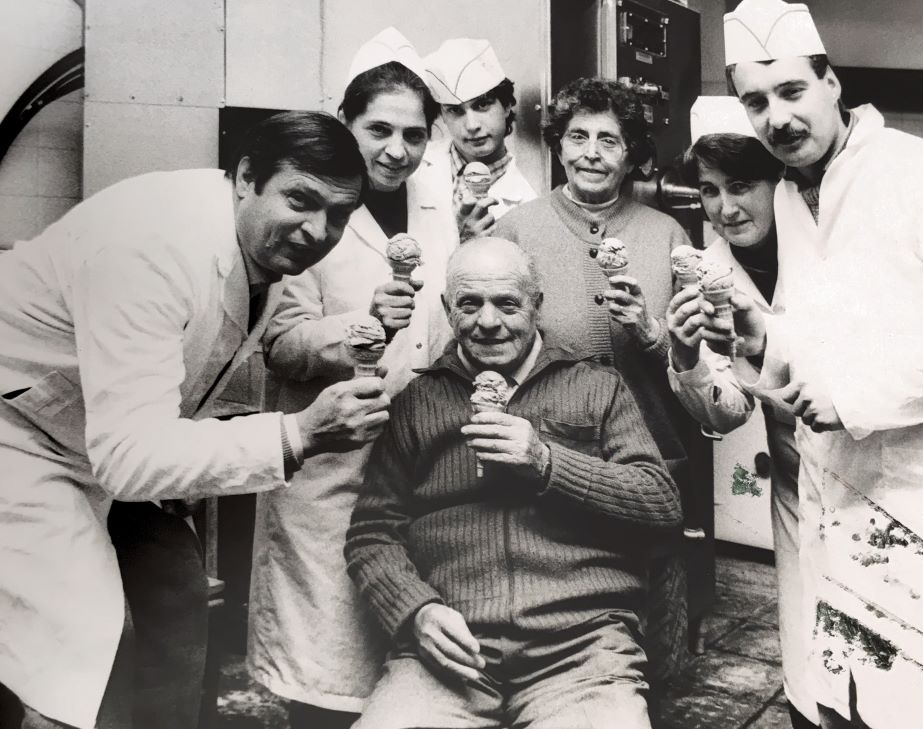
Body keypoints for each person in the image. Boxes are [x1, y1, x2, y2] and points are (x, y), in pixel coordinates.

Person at [0, 110, 390, 729]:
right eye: (300, 199)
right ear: (244, 178)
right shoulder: (148, 245)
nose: (319, 230)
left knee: (178, 594)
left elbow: (184, 369)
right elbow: (129, 457)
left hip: (91, 441)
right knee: (80, 641)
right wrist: (300, 433)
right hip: (18, 438)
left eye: (338, 213)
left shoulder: (260, 251)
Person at [716, 1, 923, 727]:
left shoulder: (921, 173)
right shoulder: (791, 194)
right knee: (837, 700)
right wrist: (763, 339)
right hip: (827, 490)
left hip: (920, 492)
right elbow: (811, 329)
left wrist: (851, 394)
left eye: (792, 92)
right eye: (755, 101)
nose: (776, 117)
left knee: (918, 699)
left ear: (831, 82)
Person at [344, 237, 681, 729]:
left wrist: (547, 463)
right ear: (446, 308)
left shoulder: (595, 385)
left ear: (537, 305)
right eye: (469, 304)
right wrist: (415, 611)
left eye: (507, 303)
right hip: (451, 651)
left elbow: (660, 500)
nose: (487, 322)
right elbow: (372, 531)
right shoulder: (419, 399)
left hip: (581, 649)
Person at [245, 28, 457, 729]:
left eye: (415, 133)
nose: (398, 149)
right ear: (347, 123)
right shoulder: (314, 204)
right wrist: (366, 326)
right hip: (332, 465)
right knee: (328, 669)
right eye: (379, 130)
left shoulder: (438, 197)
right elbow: (283, 345)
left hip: (422, 456)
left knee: (407, 672)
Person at [494, 76, 696, 680]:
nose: (590, 152)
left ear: (632, 153)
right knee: (562, 610)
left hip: (651, 452)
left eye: (610, 140)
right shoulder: (517, 230)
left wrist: (651, 330)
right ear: (556, 145)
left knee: (653, 617)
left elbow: (698, 359)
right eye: (577, 136)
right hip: (550, 449)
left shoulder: (666, 235)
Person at [665, 96, 820, 729]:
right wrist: (684, 355)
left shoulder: (831, 248)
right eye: (708, 190)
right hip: (794, 480)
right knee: (811, 658)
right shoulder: (707, 273)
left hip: (878, 462)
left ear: (779, 180)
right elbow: (724, 414)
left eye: (741, 185)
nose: (725, 208)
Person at [423, 37, 537, 242]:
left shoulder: (533, 193)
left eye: (482, 105)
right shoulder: (415, 169)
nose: (472, 125)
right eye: (455, 111)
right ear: (442, 116)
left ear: (507, 105)